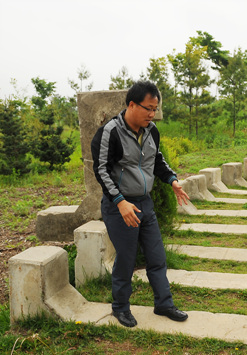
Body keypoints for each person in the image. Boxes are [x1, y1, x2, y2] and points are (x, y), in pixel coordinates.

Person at [91, 81, 190, 328]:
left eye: (155, 109)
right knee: (126, 259)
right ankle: (121, 308)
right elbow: (101, 171)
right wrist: (119, 202)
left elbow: (157, 161)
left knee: (157, 257)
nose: (152, 114)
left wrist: (172, 181)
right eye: (148, 108)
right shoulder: (110, 132)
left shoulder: (151, 131)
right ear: (132, 105)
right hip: (120, 207)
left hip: (145, 204)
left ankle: (164, 304)